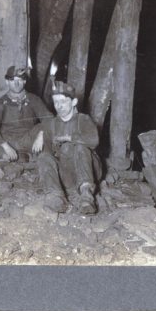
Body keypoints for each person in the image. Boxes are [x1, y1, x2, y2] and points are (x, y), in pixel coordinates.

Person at [32, 80, 102, 215]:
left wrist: (69, 138)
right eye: (56, 102)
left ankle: (86, 197)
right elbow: (47, 155)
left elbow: (94, 141)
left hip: (89, 171)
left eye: (63, 101)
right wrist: (41, 135)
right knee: (44, 157)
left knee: (79, 148)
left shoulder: (83, 120)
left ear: (74, 102)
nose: (59, 106)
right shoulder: (52, 125)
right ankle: (56, 197)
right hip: (67, 175)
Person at [0, 65, 52, 162]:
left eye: (19, 80)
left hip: (27, 139)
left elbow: (49, 118)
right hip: (8, 140)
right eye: (12, 80)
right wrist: (6, 147)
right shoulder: (1, 102)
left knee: (44, 131)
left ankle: (17, 156)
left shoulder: (33, 99)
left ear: (24, 81)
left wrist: (41, 135)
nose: (16, 84)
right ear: (7, 82)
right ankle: (10, 155)